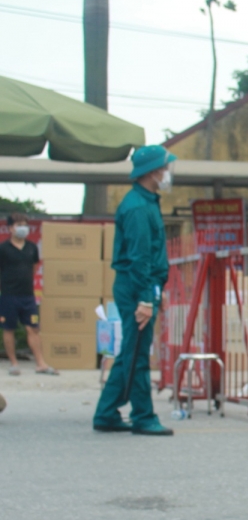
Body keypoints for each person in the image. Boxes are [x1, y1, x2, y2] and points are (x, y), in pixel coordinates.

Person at [92, 145, 176, 435]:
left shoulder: (146, 201)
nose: (167, 173)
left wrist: (156, 289)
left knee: (132, 350)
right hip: (135, 285)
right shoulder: (139, 207)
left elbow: (149, 257)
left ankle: (106, 413)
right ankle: (143, 416)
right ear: (153, 172)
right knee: (138, 353)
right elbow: (140, 257)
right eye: (164, 168)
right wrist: (145, 297)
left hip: (141, 284)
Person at [0, 213, 57, 376]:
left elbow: (33, 268)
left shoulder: (32, 248)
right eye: (18, 225)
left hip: (28, 296)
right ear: (10, 228)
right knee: (8, 328)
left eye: (24, 224)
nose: (22, 228)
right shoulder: (3, 249)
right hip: (9, 296)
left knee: (33, 328)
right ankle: (14, 364)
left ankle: (40, 363)